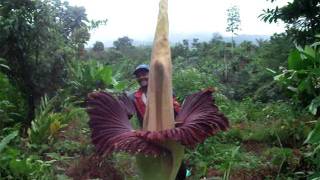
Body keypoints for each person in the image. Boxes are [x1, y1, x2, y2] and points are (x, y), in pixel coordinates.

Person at [129, 64, 186, 180]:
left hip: (168, 134)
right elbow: (126, 114)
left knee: (178, 166)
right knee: (157, 165)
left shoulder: (165, 92)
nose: (141, 78)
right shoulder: (133, 97)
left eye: (144, 74)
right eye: (138, 76)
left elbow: (176, 112)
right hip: (150, 137)